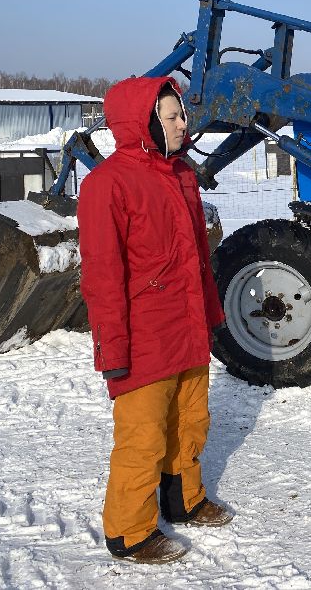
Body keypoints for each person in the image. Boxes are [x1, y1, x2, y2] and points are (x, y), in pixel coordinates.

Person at [78, 76, 233, 564]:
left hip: (186, 327)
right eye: (172, 116)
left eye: (181, 113)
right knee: (142, 437)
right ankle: (129, 532)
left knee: (190, 422)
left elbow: (197, 261)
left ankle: (182, 500)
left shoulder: (183, 175)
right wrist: (113, 350)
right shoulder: (107, 184)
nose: (183, 123)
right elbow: (102, 277)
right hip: (144, 335)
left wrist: (210, 317)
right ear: (142, 121)